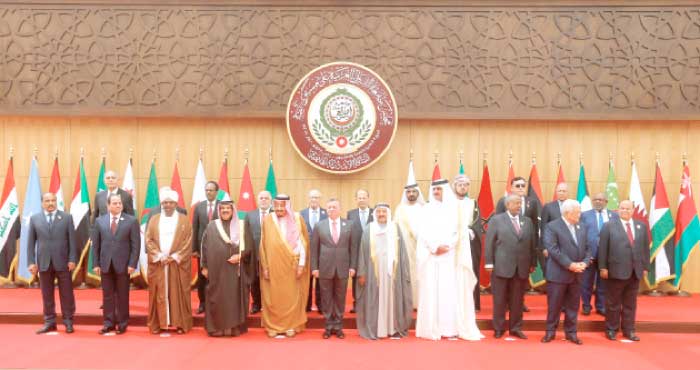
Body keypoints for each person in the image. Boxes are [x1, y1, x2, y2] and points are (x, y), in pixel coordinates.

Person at [416, 179, 483, 341]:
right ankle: (432, 327)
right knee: (433, 292)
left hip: (450, 257)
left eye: (439, 189)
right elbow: (422, 233)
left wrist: (447, 246)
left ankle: (449, 328)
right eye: (434, 189)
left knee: (448, 293)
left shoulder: (454, 209)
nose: (436, 192)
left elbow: (459, 233)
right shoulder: (426, 209)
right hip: (432, 257)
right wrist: (434, 247)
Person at [356, 203, 413, 340]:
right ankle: (378, 329)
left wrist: (403, 270)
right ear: (375, 214)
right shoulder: (369, 229)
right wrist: (362, 272)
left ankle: (392, 328)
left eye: (384, 212)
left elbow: (402, 252)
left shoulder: (395, 228)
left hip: (392, 271)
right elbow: (362, 252)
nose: (381, 214)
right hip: (373, 271)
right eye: (379, 212)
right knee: (376, 298)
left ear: (388, 213)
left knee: (391, 298)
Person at [485, 194, 537, 340]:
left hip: (521, 268)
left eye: (520, 203)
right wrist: (489, 263)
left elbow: (532, 244)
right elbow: (489, 243)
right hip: (501, 266)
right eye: (515, 203)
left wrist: (533, 263)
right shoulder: (496, 220)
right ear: (507, 205)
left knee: (517, 301)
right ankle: (499, 328)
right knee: (500, 300)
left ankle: (516, 328)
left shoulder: (527, 221)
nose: (519, 206)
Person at [260, 194, 310, 338]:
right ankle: (273, 326)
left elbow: (303, 244)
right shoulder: (268, 219)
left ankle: (291, 325)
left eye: (282, 206)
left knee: (291, 297)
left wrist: (301, 265)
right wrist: (265, 266)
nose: (279, 209)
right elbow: (263, 245)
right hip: (273, 266)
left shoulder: (297, 219)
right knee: (274, 297)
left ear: (287, 205)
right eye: (277, 206)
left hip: (292, 266)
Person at [598, 200, 649, 341]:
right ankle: (611, 329)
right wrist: (603, 267)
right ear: (617, 210)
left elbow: (645, 248)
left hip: (635, 272)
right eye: (622, 208)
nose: (624, 210)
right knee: (613, 303)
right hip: (615, 271)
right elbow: (602, 249)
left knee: (630, 304)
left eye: (628, 208)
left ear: (633, 210)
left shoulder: (641, 226)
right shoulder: (608, 226)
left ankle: (629, 330)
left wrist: (645, 266)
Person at [542, 199, 591, 345]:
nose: (580, 214)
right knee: (554, 306)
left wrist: (585, 262)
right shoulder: (552, 226)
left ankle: (571, 333)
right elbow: (553, 250)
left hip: (577, 274)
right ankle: (550, 332)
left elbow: (588, 248)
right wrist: (570, 265)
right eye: (577, 212)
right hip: (558, 274)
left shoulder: (582, 227)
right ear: (568, 212)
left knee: (573, 306)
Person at [27, 192, 77, 334]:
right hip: (44, 262)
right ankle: (49, 322)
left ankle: (68, 321)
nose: (50, 203)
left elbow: (72, 241)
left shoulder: (66, 218)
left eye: (53, 200)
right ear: (42, 203)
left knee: (67, 294)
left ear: (56, 202)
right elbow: (31, 243)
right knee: (46, 294)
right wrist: (31, 262)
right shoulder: (35, 219)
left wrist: (72, 259)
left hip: (63, 262)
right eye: (47, 201)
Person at [145, 188, 193, 335]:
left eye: (170, 202)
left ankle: (180, 324)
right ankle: (159, 324)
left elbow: (188, 241)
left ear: (175, 204)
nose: (167, 205)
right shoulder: (154, 219)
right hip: (159, 263)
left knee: (179, 293)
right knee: (158, 294)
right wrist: (160, 256)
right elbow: (149, 240)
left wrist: (175, 256)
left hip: (177, 264)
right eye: (164, 203)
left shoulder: (184, 220)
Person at [201, 200, 252, 337]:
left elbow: (249, 246)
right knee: (217, 297)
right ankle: (217, 328)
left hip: (235, 271)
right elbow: (204, 247)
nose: (225, 210)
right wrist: (204, 266)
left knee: (233, 299)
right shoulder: (212, 226)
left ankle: (233, 328)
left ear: (233, 209)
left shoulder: (241, 226)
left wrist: (239, 256)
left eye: (228, 208)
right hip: (216, 270)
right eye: (222, 208)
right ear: (219, 210)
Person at [91, 193, 140, 335]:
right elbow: (96, 245)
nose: (118, 205)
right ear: (108, 205)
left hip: (124, 265)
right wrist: (96, 264)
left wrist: (132, 263)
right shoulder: (100, 221)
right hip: (105, 264)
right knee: (107, 296)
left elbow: (135, 245)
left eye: (119, 203)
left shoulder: (131, 221)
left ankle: (122, 323)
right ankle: (108, 323)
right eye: (115, 203)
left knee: (123, 295)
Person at [311, 198, 356, 339]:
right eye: (329, 207)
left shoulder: (349, 224)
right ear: (326, 209)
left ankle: (338, 327)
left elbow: (353, 248)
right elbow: (314, 249)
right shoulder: (319, 226)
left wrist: (353, 266)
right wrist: (314, 268)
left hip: (343, 268)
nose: (331, 209)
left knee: (340, 298)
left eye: (334, 207)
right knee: (326, 298)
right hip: (324, 268)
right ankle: (328, 327)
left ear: (339, 209)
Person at [495, 176, 539, 311]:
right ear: (511, 187)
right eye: (517, 186)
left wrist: (534, 249)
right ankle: (507, 303)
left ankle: (520, 303)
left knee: (521, 280)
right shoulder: (503, 201)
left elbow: (534, 226)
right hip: (507, 249)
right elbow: (498, 224)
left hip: (524, 249)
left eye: (522, 185)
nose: (521, 188)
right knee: (507, 279)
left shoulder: (532, 202)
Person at [580, 192, 618, 316]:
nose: (598, 201)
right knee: (586, 282)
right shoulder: (584, 215)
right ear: (592, 201)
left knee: (603, 283)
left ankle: (601, 306)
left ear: (606, 202)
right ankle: (586, 305)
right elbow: (580, 235)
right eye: (595, 199)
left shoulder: (614, 216)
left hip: (607, 256)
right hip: (589, 255)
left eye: (601, 200)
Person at [453, 174, 484, 312]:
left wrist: (470, 231)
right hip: (452, 244)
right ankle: (452, 304)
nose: (463, 187)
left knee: (470, 271)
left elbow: (477, 223)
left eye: (465, 184)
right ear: (455, 186)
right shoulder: (448, 203)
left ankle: (472, 303)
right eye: (460, 184)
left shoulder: (473, 203)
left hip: (470, 244)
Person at [393, 183, 424, 310]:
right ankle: (406, 302)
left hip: (421, 248)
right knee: (405, 274)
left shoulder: (424, 208)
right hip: (404, 248)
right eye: (408, 192)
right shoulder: (400, 209)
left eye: (413, 191)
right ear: (405, 194)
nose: (411, 194)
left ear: (418, 193)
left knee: (419, 274)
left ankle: (420, 302)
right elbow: (394, 229)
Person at [191, 181, 220, 314]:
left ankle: (216, 303)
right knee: (202, 277)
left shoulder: (223, 206)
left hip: (219, 247)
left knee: (217, 277)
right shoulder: (199, 207)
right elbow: (195, 228)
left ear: (216, 192)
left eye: (211, 190)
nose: (208, 192)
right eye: (206, 190)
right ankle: (202, 303)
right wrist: (194, 249)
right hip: (202, 249)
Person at [244, 190, 272, 314]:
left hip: (272, 254)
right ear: (257, 200)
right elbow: (246, 235)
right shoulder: (250, 215)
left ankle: (269, 305)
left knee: (270, 280)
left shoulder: (275, 214)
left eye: (266, 198)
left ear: (270, 200)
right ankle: (256, 304)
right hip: (254, 253)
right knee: (254, 280)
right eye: (261, 198)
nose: (264, 200)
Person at [300, 189, 327, 313]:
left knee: (321, 281)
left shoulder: (326, 214)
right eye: (312, 197)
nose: (314, 200)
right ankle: (306, 305)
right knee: (306, 281)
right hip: (305, 253)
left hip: (322, 253)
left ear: (320, 199)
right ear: (308, 199)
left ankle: (321, 305)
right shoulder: (301, 214)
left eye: (316, 197)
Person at [347, 189, 372, 313]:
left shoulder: (375, 213)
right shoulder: (350, 214)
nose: (361, 200)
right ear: (356, 199)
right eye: (359, 197)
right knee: (356, 279)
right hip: (355, 252)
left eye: (364, 197)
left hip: (372, 253)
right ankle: (356, 303)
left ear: (368, 198)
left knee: (371, 276)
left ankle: (370, 303)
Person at [539, 183, 570, 275]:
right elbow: (543, 227)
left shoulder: (573, 205)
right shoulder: (548, 207)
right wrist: (544, 247)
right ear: (556, 192)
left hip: (569, 246)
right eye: (559, 191)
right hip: (553, 246)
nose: (561, 193)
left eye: (564, 191)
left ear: (567, 193)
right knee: (552, 272)